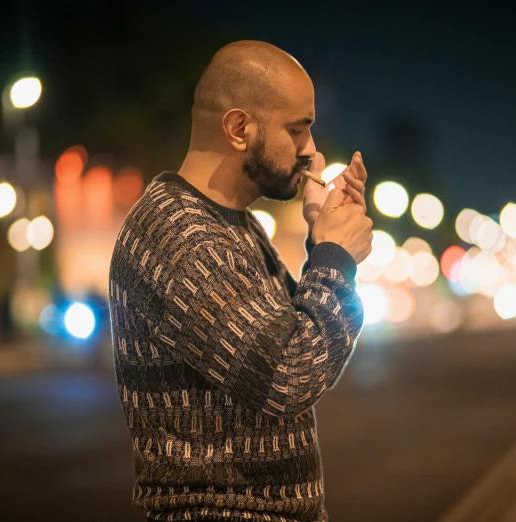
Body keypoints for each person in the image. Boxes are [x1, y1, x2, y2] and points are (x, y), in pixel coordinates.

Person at [109, 40, 373, 522]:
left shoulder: (236, 226)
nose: (311, 151)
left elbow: (303, 335)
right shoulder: (179, 235)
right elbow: (290, 374)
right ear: (238, 128)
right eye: (298, 130)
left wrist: (322, 241)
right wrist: (336, 258)